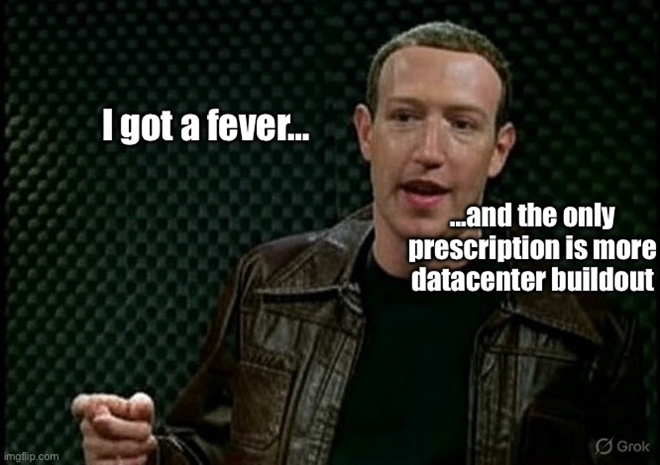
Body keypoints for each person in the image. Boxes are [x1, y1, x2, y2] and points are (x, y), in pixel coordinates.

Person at [71, 21, 647, 464]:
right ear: (366, 134)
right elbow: (208, 448)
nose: (429, 150)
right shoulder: (267, 284)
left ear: (499, 150)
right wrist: (141, 454)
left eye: (462, 124)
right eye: (405, 117)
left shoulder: (587, 326)